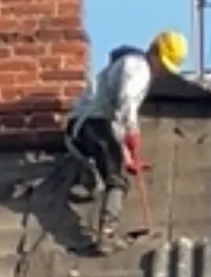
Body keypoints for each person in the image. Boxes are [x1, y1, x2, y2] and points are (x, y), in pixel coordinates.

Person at [64, 30, 188, 251]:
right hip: (91, 123)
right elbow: (126, 104)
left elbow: (117, 120)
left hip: (87, 125)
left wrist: (127, 154)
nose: (163, 73)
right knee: (117, 177)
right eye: (164, 66)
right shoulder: (137, 69)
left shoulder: (131, 66)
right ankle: (106, 235)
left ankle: (88, 179)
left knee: (112, 159)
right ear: (155, 52)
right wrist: (133, 133)